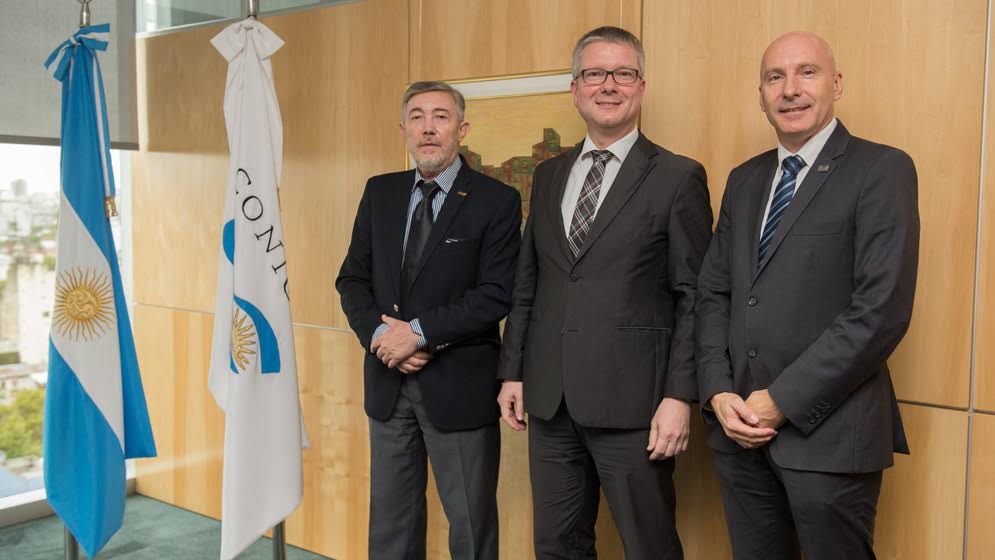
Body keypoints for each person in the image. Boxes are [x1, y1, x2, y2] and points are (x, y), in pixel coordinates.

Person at [695, 32, 919, 560]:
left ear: (836, 84)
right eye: (775, 77)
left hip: (831, 440)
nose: (790, 89)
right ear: (760, 95)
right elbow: (714, 294)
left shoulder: (881, 169)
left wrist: (781, 401)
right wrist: (718, 391)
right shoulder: (744, 180)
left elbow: (880, 311)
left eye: (807, 73)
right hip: (739, 435)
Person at [496, 26, 713, 559]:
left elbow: (695, 297)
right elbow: (529, 282)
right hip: (550, 401)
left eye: (623, 74)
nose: (608, 85)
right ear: (575, 89)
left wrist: (679, 396)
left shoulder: (678, 177)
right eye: (595, 73)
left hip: (636, 405)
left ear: (641, 87)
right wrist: (512, 370)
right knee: (557, 546)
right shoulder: (548, 175)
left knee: (649, 546)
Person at [336, 80, 522, 560]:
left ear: (462, 129)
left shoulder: (496, 201)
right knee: (391, 527)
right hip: (388, 383)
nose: (428, 128)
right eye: (416, 117)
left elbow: (496, 294)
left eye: (440, 116)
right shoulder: (380, 192)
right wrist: (383, 336)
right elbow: (352, 280)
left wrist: (417, 335)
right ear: (403, 129)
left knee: (471, 528)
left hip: (458, 387)